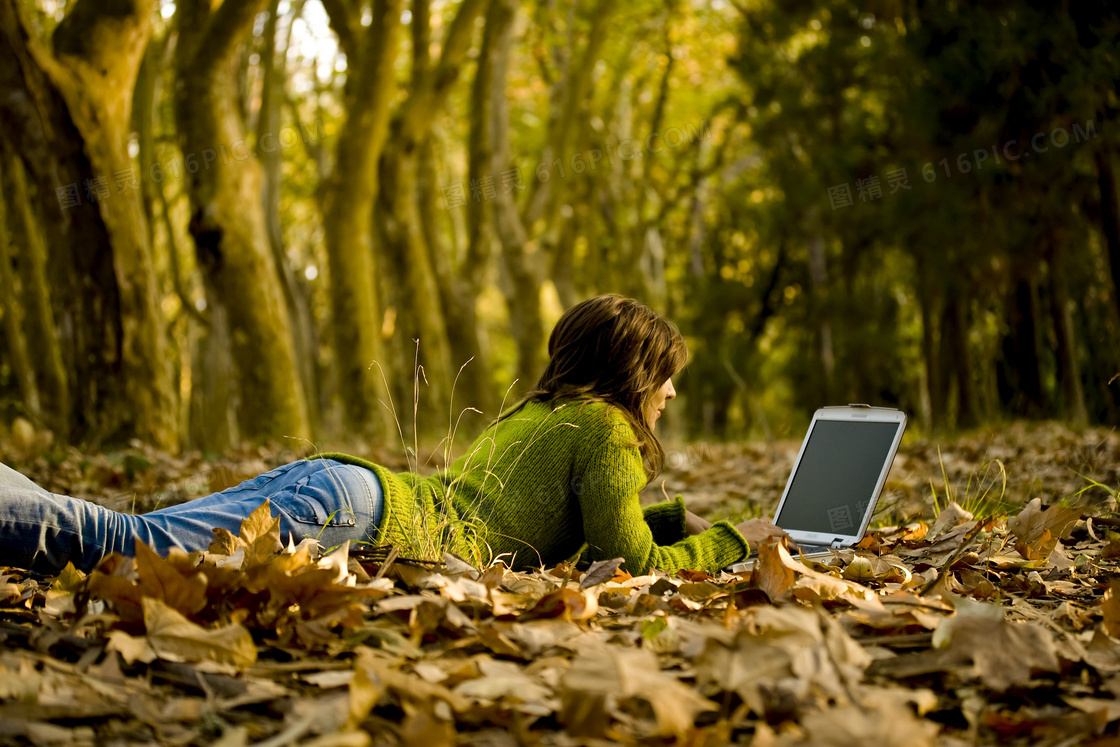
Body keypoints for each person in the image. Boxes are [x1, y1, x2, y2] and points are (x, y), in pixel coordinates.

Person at [0, 294, 785, 576]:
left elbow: (580, 531)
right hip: (356, 513)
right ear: (629, 373)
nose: (673, 390)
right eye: (665, 373)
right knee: (122, 547)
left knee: (128, 533)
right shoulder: (607, 433)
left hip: (346, 490)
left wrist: (669, 515)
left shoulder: (545, 414)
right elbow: (633, 565)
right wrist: (732, 542)